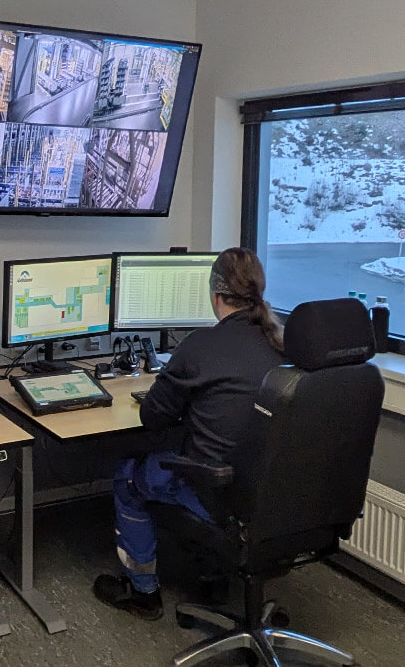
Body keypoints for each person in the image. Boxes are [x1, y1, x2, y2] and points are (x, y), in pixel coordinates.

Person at [92, 247, 285, 620]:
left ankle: (143, 593)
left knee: (129, 476)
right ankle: (213, 576)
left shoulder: (200, 346)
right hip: (276, 493)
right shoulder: (281, 343)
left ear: (216, 293)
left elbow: (152, 416)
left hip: (222, 495)